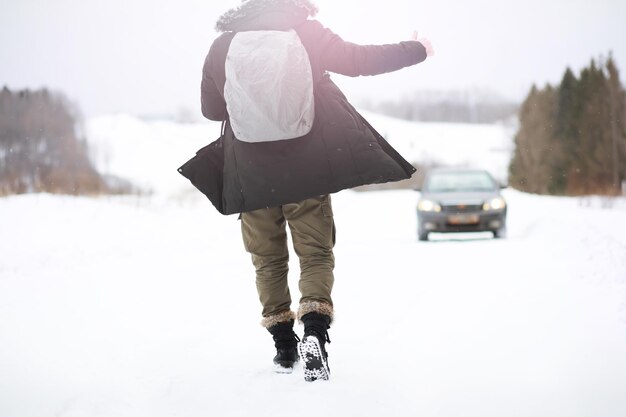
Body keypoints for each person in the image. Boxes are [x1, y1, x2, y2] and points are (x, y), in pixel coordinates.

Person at [200, 0, 433, 382]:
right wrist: (416, 50)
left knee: (268, 259)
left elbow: (212, 109)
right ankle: (314, 332)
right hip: (305, 167)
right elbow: (359, 61)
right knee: (315, 252)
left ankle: (283, 346)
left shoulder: (223, 45)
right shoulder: (305, 32)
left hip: (250, 169)